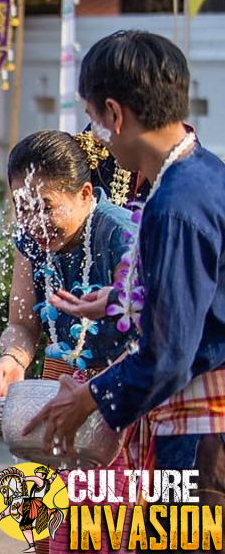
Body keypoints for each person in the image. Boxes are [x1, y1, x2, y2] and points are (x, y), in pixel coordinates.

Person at [28, 30, 225, 523]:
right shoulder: (200, 176)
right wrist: (119, 299)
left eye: (94, 120)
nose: (97, 135)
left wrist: (88, 398)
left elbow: (169, 356)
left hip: (203, 432)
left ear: (114, 114)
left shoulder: (177, 204)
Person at [0, 130, 137, 554]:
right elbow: (23, 324)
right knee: (59, 539)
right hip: (63, 400)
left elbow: (153, 339)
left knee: (113, 532)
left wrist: (97, 393)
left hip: (124, 402)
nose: (33, 220)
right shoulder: (31, 241)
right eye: (23, 208)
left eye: (46, 206)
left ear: (86, 193)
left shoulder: (122, 238)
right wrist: (11, 360)